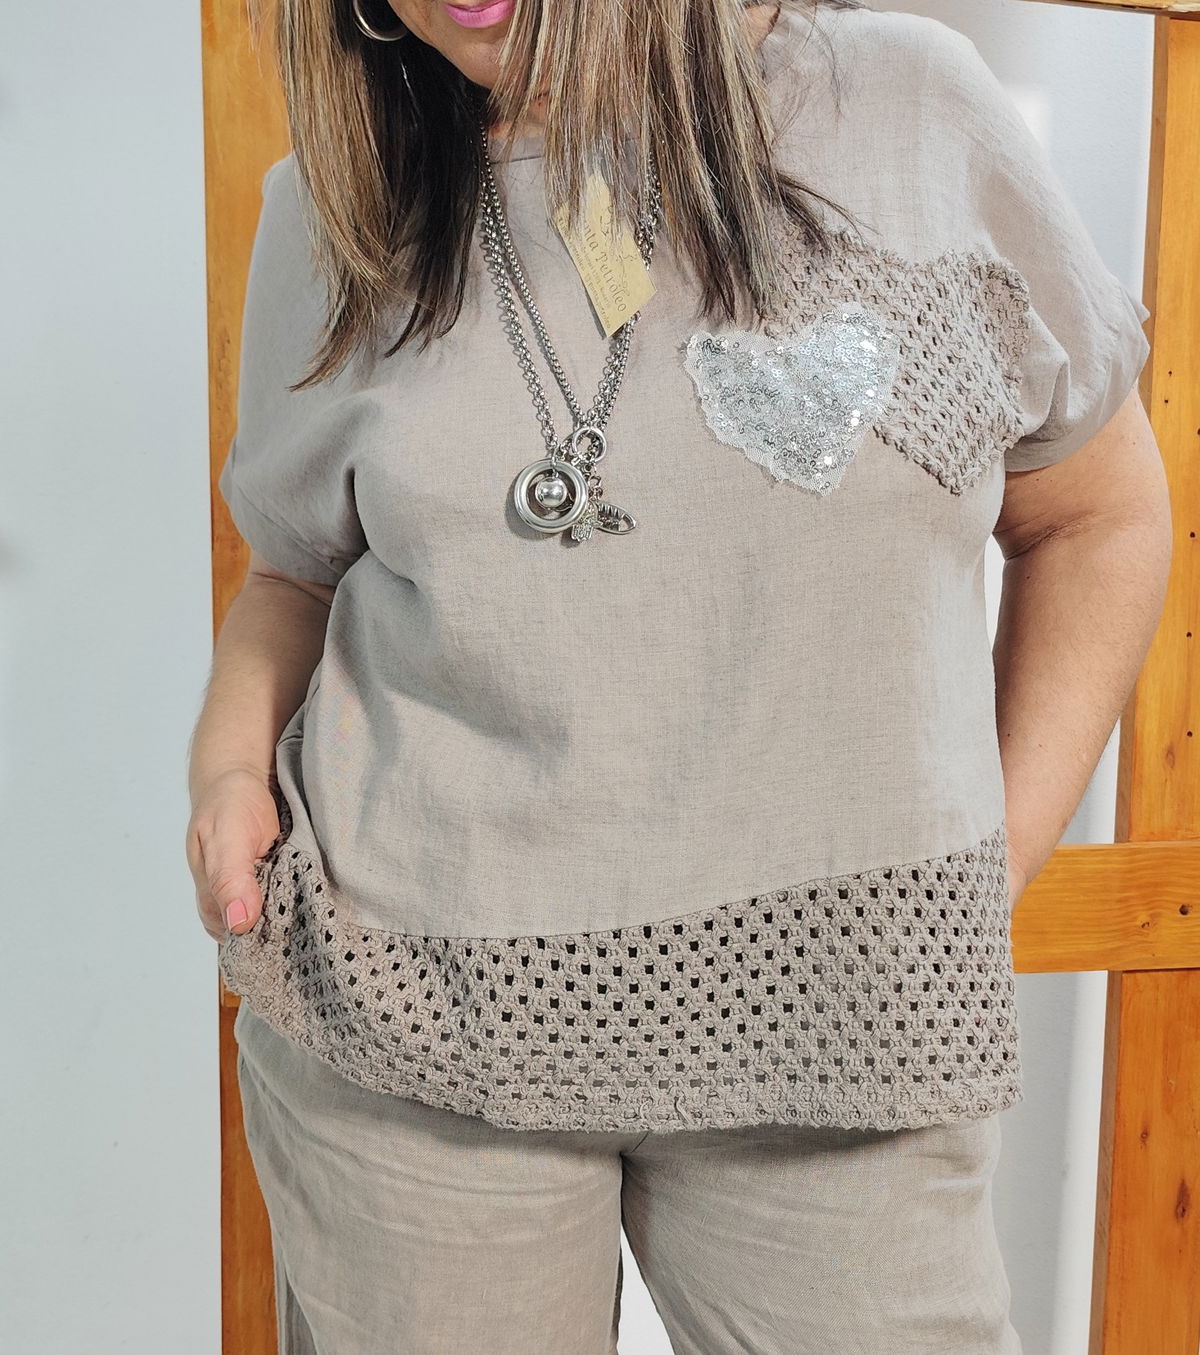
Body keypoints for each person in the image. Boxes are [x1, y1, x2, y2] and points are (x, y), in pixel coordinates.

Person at [185, 0, 1172, 1350]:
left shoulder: (903, 110)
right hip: (409, 1010)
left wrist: (987, 861)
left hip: (848, 1026)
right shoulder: (337, 205)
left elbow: (1096, 517)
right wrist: (230, 771)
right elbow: (296, 576)